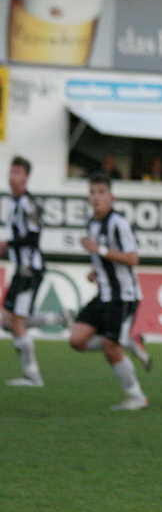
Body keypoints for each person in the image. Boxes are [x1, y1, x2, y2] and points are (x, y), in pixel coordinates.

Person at [67, 173, 151, 410]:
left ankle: (137, 397)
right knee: (76, 340)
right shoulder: (91, 222)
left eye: (102, 192)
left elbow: (133, 258)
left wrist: (100, 251)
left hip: (123, 295)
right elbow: (104, 257)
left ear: (112, 196)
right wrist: (96, 270)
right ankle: (128, 342)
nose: (96, 197)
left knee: (111, 349)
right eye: (93, 192)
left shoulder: (119, 223)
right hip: (103, 294)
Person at [1, 156, 69, 386]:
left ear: (26, 177)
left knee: (16, 321)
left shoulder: (28, 203)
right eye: (11, 171)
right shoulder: (13, 202)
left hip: (30, 270)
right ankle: (59, 318)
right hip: (21, 270)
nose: (13, 176)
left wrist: (8, 245)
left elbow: (33, 236)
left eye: (18, 172)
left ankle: (32, 376)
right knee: (9, 321)